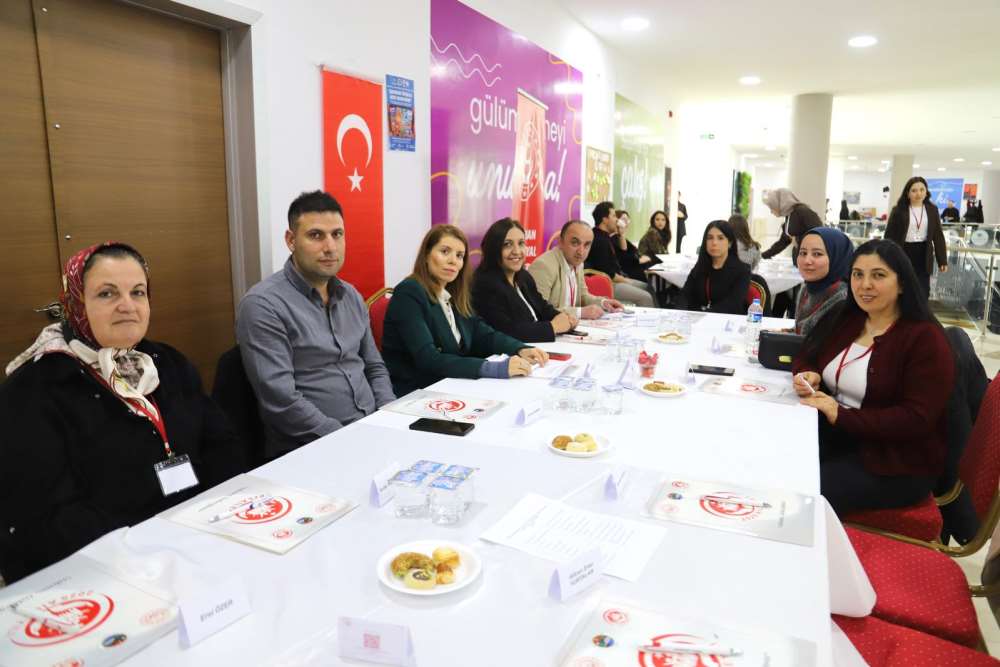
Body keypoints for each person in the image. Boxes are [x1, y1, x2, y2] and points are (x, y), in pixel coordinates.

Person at [0, 243, 246, 582]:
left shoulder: (166, 363)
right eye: (107, 293)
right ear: (76, 304)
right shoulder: (35, 390)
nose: (127, 306)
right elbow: (48, 518)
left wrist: (213, 519)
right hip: (107, 568)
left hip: (196, 537)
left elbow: (222, 444)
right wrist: (150, 549)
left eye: (138, 292)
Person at [792, 239, 955, 515]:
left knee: (799, 489)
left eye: (878, 275)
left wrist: (840, 414)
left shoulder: (924, 339)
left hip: (895, 461)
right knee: (771, 458)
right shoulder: (849, 318)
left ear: (901, 283)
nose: (864, 285)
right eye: (858, 274)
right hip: (841, 437)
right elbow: (806, 353)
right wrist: (809, 373)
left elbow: (915, 419)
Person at [236, 191, 395, 459]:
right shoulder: (263, 305)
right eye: (316, 235)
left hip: (372, 432)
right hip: (311, 450)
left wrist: (390, 417)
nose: (330, 247)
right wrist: (352, 441)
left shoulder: (351, 296)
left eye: (337, 234)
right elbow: (282, 402)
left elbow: (374, 367)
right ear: (291, 240)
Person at [381, 224, 549, 396]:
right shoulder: (409, 292)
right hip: (418, 391)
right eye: (445, 252)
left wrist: (520, 348)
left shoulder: (453, 294)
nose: (453, 261)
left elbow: (483, 333)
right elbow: (428, 358)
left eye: (459, 255)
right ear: (426, 255)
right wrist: (493, 368)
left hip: (452, 385)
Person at [471, 218, 577, 343]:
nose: (517, 251)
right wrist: (553, 327)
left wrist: (564, 318)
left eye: (521, 243)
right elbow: (506, 331)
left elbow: (542, 307)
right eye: (507, 244)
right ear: (493, 249)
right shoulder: (484, 284)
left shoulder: (524, 276)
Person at [528, 220, 625, 319]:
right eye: (575, 243)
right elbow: (538, 311)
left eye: (586, 245)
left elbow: (583, 296)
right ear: (560, 242)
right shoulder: (544, 266)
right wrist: (580, 312)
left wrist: (603, 303)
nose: (581, 252)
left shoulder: (578, 264)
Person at [884, 176, 948, 298]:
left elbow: (938, 235)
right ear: (907, 193)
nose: (918, 193)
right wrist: (887, 257)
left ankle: (920, 310)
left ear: (926, 192)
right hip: (904, 251)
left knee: (922, 290)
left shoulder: (932, 210)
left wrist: (942, 260)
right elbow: (889, 235)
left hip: (924, 253)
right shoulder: (899, 210)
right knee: (904, 288)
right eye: (914, 190)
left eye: (922, 190)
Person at [584, 201, 656, 307]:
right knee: (646, 296)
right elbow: (608, 273)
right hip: (608, 283)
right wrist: (626, 281)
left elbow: (623, 253)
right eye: (613, 216)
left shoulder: (604, 236)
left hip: (615, 279)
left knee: (648, 287)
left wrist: (621, 234)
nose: (617, 220)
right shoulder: (599, 240)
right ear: (605, 219)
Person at [678, 220, 751, 314]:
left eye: (720, 238)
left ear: (730, 243)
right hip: (696, 318)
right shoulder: (700, 266)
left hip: (726, 320)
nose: (714, 243)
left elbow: (733, 304)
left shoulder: (742, 270)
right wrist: (680, 312)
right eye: (710, 238)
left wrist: (704, 314)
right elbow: (684, 295)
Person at [794, 227, 852, 337]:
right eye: (803, 253)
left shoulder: (844, 300)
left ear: (836, 256)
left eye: (817, 254)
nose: (807, 261)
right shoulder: (807, 289)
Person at [760, 188, 823, 262]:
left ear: (779, 203)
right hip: (801, 260)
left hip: (811, 261)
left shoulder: (802, 211)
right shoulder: (789, 216)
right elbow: (783, 242)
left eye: (772, 208)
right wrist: (763, 256)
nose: (771, 212)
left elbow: (818, 234)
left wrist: (797, 239)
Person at [612, 210, 659, 280]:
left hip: (638, 267)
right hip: (631, 271)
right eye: (623, 219)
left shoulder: (621, 237)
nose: (626, 222)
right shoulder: (615, 237)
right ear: (617, 221)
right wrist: (639, 260)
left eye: (628, 220)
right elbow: (623, 257)